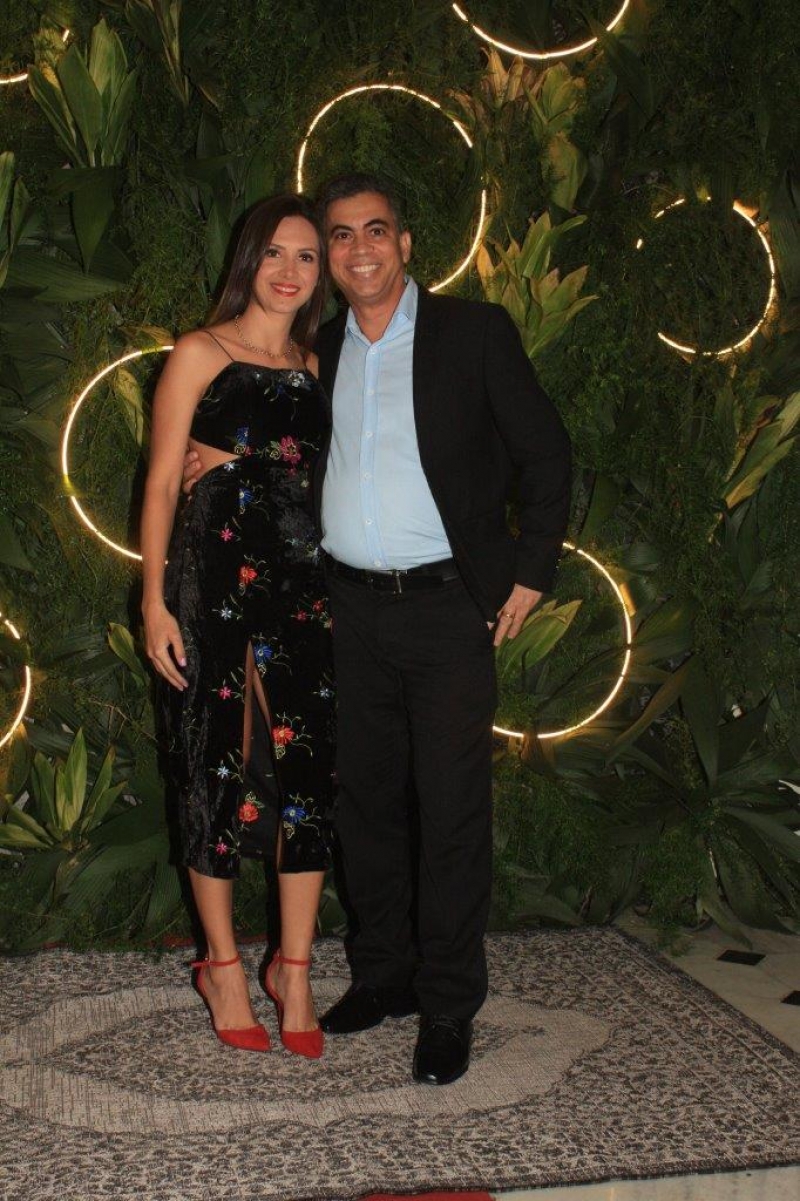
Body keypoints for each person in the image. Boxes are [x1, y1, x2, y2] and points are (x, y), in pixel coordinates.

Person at [184, 173, 572, 1085]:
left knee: (450, 807)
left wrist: (530, 573)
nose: (359, 249)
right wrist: (219, 455)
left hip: (447, 607)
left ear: (404, 242)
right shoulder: (315, 348)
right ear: (327, 256)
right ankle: (382, 974)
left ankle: (448, 1003)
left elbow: (547, 452)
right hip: (342, 606)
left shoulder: (473, 332)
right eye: (340, 235)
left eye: (376, 230)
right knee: (359, 802)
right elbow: (277, 441)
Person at [141, 194, 334, 1059]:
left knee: (306, 765)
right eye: (276, 254)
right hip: (211, 574)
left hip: (302, 579)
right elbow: (159, 483)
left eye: (307, 257)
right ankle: (221, 964)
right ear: (249, 260)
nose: (290, 271)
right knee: (214, 753)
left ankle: (294, 967)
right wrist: (153, 601)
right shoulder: (200, 352)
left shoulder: (316, 364)